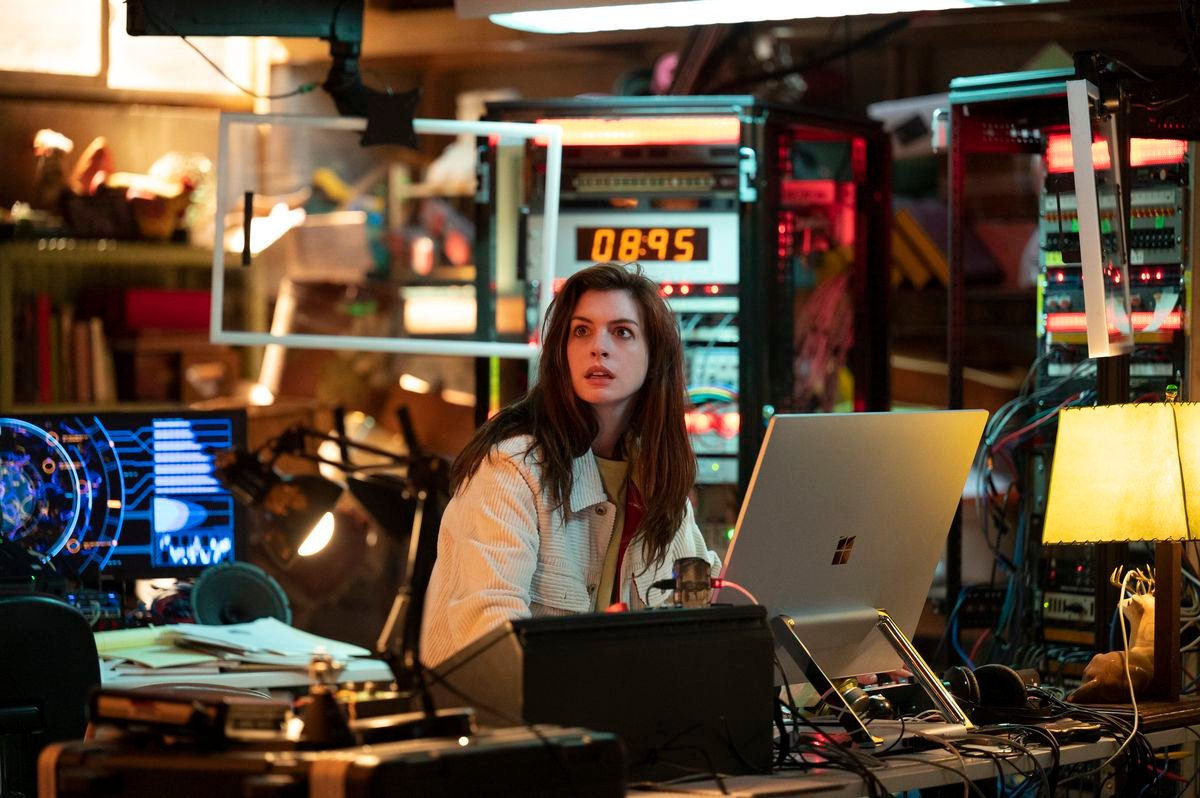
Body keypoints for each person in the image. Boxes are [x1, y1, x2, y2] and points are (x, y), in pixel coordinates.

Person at [421, 262, 721, 666]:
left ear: (656, 358)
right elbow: (491, 638)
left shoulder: (656, 478)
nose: (599, 347)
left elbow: (702, 609)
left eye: (622, 332)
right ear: (561, 352)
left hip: (625, 714)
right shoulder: (511, 469)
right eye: (581, 331)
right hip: (512, 722)